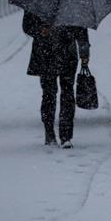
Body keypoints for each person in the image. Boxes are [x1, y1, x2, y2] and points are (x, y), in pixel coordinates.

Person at [22, 10, 90, 147]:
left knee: (67, 94)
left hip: (66, 54)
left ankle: (65, 135)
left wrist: (84, 53)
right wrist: (41, 30)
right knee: (49, 93)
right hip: (45, 55)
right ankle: (49, 131)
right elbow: (27, 26)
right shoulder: (41, 0)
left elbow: (81, 30)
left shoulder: (67, 1)